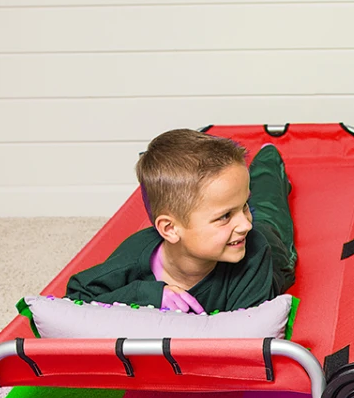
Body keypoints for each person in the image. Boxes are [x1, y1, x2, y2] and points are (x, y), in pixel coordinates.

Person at [65, 129, 298, 312]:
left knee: (267, 203)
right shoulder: (134, 255)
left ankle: (268, 157)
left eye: (244, 207)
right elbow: (75, 299)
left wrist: (235, 210)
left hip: (271, 240)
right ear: (170, 229)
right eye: (224, 216)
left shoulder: (255, 252)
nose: (246, 224)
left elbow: (244, 338)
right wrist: (146, 295)